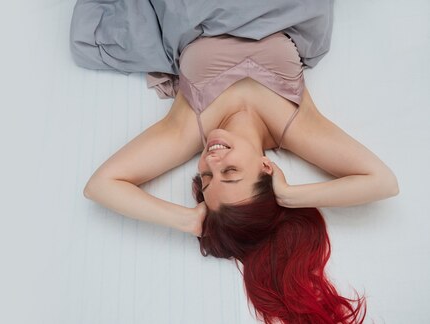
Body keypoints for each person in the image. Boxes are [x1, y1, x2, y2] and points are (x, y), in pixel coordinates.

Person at [83, 31, 398, 323]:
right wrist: (289, 195)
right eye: (230, 172)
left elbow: (100, 185)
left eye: (206, 176)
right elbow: (383, 181)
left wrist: (190, 220)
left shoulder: (187, 130)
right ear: (266, 168)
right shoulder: (297, 127)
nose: (211, 158)